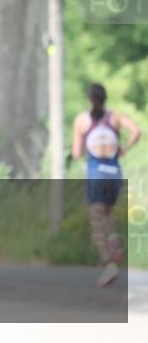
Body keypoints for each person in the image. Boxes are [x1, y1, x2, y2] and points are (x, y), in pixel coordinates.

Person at [70, 83, 140, 287]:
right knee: (108, 214)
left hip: (96, 174)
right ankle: (116, 245)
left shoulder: (82, 120)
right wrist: (124, 148)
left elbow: (76, 153)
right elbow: (136, 131)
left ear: (89, 99)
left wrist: (85, 147)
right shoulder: (115, 117)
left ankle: (109, 265)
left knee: (97, 220)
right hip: (115, 173)